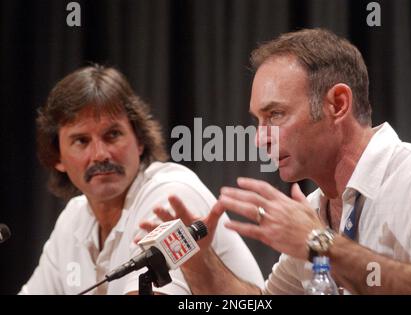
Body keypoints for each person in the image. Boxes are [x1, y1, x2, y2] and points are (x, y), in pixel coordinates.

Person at [141, 28, 411, 294]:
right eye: (258, 120)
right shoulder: (314, 209)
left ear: (337, 104)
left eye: (275, 115)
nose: (260, 139)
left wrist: (322, 244)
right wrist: (199, 263)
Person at [19, 65, 264, 294]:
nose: (100, 154)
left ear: (139, 141)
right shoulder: (74, 218)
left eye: (112, 134)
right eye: (81, 141)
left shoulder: (168, 195)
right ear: (57, 157)